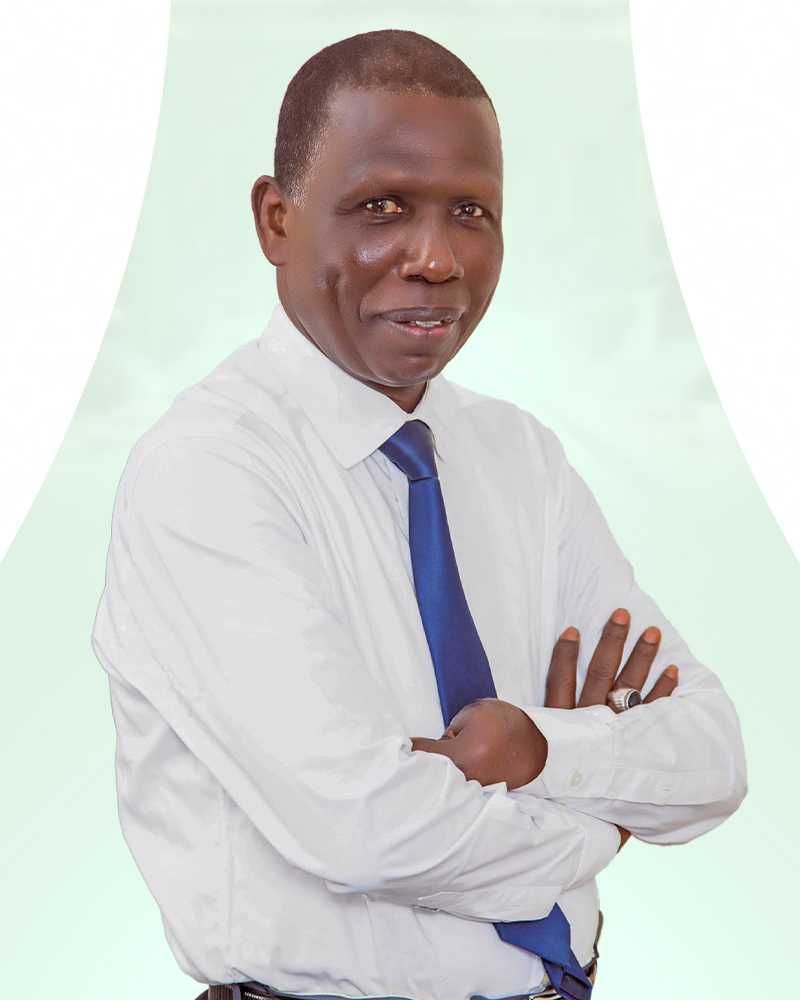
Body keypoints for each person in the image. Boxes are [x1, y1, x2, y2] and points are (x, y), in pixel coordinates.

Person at [91, 28, 747, 1000]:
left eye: (470, 212)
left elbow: (713, 755)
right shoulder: (208, 472)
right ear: (276, 219)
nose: (436, 258)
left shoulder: (520, 459)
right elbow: (365, 829)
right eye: (382, 206)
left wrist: (537, 747)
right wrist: (604, 821)